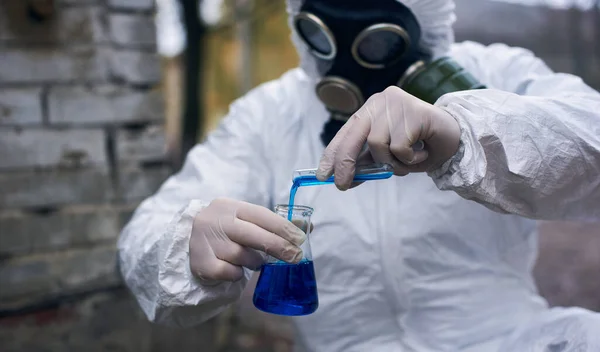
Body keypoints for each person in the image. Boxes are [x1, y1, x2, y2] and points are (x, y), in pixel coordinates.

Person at [118, 0, 600, 351]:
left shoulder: (494, 73)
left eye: (377, 36)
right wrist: (186, 243)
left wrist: (469, 131)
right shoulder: (269, 114)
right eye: (324, 27)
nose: (349, 47)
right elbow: (146, 235)